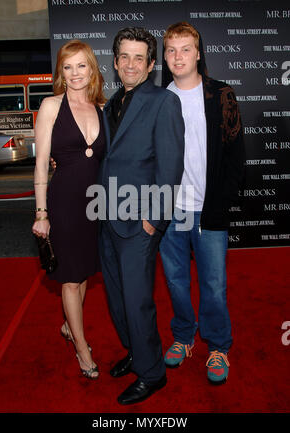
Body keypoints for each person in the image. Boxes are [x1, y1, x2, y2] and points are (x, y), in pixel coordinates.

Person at [99, 27, 185, 404]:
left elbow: (171, 168)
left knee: (137, 300)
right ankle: (137, 353)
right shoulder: (110, 103)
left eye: (139, 58)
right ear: (115, 62)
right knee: (117, 298)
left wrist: (155, 221)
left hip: (139, 222)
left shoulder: (162, 102)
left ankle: (152, 374)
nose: (131, 64)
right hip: (105, 216)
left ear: (151, 65)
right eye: (124, 57)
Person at [159, 22, 245, 384]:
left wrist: (219, 206)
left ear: (198, 53)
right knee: (176, 282)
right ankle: (183, 337)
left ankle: (218, 346)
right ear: (164, 56)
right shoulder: (158, 99)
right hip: (170, 210)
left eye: (185, 49)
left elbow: (235, 156)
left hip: (208, 209)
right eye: (171, 50)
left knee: (213, 283)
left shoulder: (221, 95)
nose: (178, 56)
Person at [32, 40, 106, 379]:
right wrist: (42, 214)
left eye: (81, 66)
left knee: (85, 271)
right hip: (62, 204)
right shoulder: (50, 106)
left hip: (95, 204)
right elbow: (40, 167)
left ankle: (67, 326)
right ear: (60, 72)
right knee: (71, 279)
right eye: (67, 67)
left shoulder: (101, 107)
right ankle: (81, 348)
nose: (75, 73)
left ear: (91, 68)